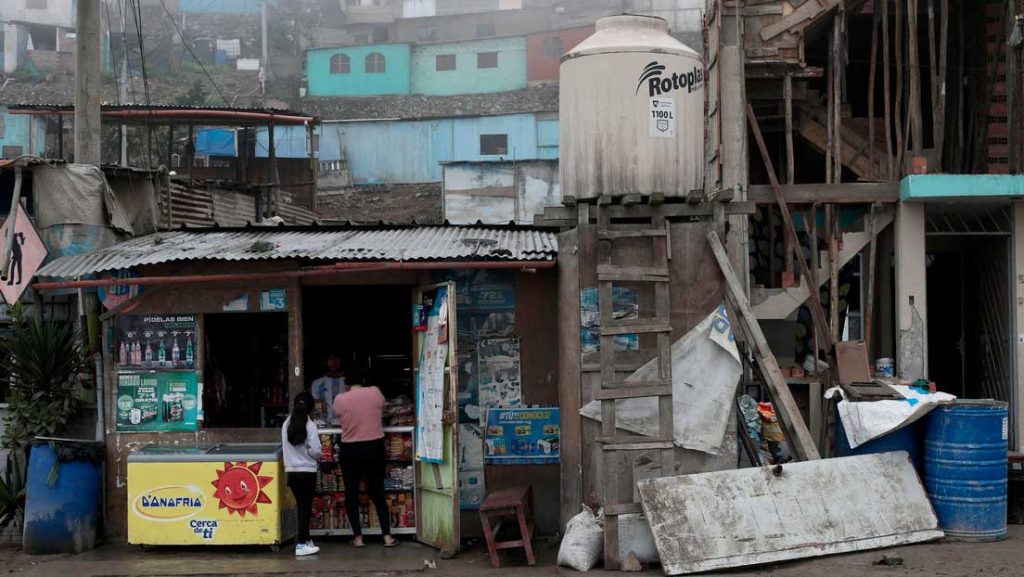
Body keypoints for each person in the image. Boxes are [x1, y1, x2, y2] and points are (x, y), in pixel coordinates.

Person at [333, 368, 397, 548]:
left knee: (351, 493)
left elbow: (337, 415)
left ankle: (358, 539)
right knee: (377, 492)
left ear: (346, 383)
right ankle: (387, 537)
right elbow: (383, 408)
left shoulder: (340, 399)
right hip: (374, 448)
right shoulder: (375, 392)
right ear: (364, 380)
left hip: (350, 450)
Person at [282, 391, 322, 557]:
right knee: (305, 508)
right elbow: (316, 451)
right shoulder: (310, 425)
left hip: (291, 472)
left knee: (301, 506)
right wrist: (315, 457)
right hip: (307, 471)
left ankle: (306, 539)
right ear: (311, 409)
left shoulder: (286, 424)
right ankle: (301, 544)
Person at [311, 355, 346, 426]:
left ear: (341, 361)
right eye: (330, 359)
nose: (334, 362)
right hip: (324, 426)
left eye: (336, 358)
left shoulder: (347, 383)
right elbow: (315, 405)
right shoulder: (317, 383)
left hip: (346, 425)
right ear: (325, 362)